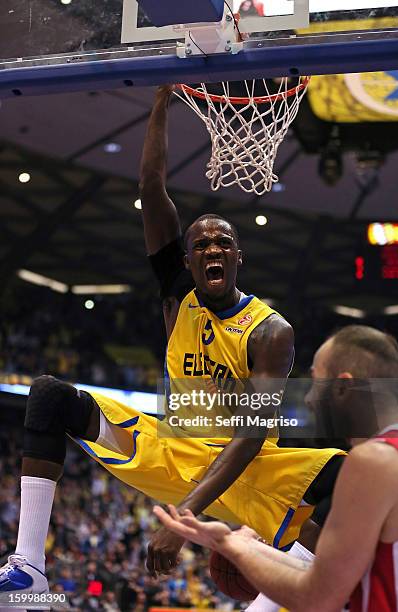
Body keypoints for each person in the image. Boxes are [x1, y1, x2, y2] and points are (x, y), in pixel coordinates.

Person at [0, 85, 344, 597]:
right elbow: (151, 183)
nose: (212, 249)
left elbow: (250, 439)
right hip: (170, 449)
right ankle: (28, 572)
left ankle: (282, 597)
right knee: (49, 395)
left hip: (246, 468)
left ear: (237, 257)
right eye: (200, 243)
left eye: (223, 243)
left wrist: (181, 517)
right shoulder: (176, 296)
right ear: (186, 261)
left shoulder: (271, 331)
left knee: (346, 475)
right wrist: (160, 101)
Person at [154, 325, 398, 611]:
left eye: (315, 382)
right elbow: (331, 575)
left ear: (343, 386)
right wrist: (252, 549)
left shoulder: (374, 461)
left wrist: (232, 546)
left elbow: (317, 597)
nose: (310, 398)